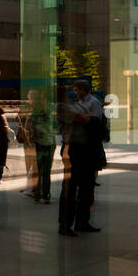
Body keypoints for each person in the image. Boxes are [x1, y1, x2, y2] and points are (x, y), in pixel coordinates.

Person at [57, 79, 101, 236]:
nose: (73, 92)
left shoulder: (76, 104)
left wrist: (87, 118)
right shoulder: (63, 107)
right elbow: (83, 119)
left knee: (87, 187)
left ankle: (82, 222)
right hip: (74, 149)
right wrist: (87, 117)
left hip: (85, 149)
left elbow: (92, 120)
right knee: (70, 188)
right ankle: (66, 224)